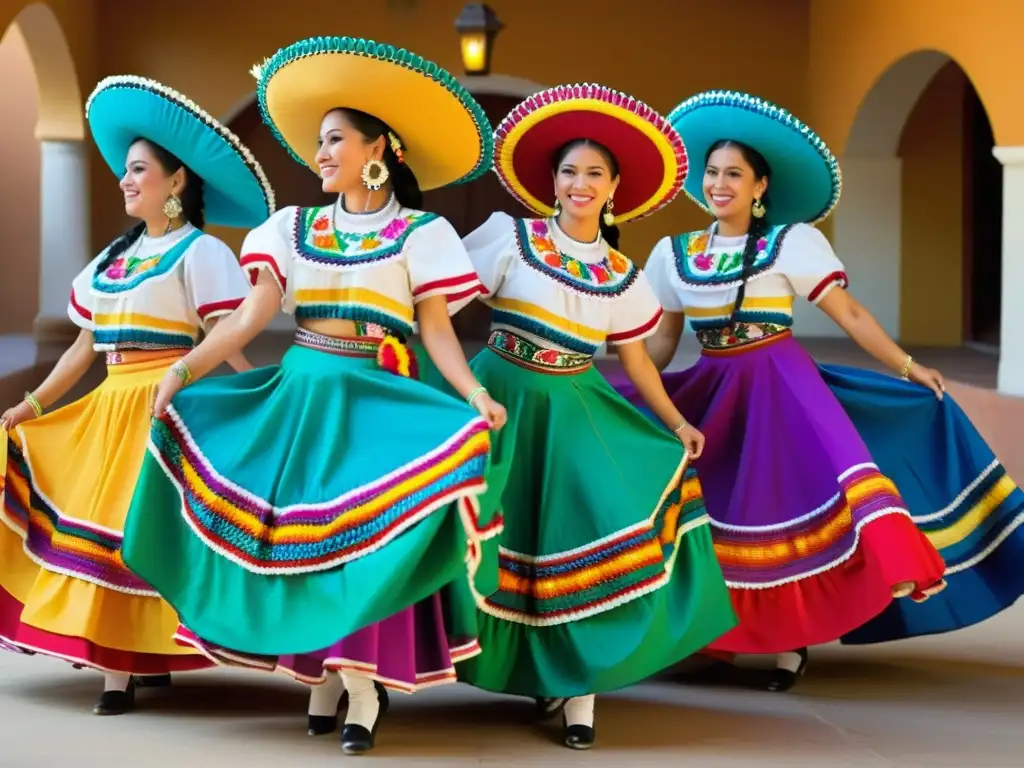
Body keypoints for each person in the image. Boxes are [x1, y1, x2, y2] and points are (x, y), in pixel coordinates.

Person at [119, 37, 507, 755]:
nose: (320, 154)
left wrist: (473, 394)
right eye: (319, 142)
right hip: (301, 397)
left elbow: (438, 334)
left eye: (334, 140)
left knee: (363, 542)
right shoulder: (292, 228)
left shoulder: (424, 234)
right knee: (304, 541)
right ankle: (323, 676)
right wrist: (184, 371)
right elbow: (247, 317)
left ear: (378, 148)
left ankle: (362, 687)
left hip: (380, 400)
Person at [608, 89, 1017, 690]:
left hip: (781, 386)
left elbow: (848, 314)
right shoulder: (673, 254)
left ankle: (791, 644)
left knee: (787, 504)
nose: (720, 184)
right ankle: (716, 631)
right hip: (716, 388)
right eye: (713, 173)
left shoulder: (792, 242)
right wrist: (630, 391)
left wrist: (907, 366)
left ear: (760, 187)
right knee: (719, 506)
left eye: (735, 175)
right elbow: (663, 342)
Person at [431, 83, 737, 750]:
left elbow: (638, 361)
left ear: (615, 188)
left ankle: (578, 690)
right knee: (468, 532)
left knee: (572, 538)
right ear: (553, 183)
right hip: (496, 401)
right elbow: (439, 311)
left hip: (573, 411)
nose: (579, 183)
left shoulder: (624, 275)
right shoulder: (509, 238)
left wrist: (674, 422)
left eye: (594, 173)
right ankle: (422, 662)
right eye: (569, 171)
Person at [0, 75, 275, 714]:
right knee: (98, 527)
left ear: (176, 183)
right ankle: (125, 659)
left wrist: (254, 403)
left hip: (164, 408)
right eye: (125, 171)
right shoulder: (110, 262)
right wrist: (33, 406)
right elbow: (79, 350)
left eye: (139, 170)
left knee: (136, 531)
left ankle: (121, 670)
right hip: (108, 405)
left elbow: (229, 333)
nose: (126, 180)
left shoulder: (201, 252)